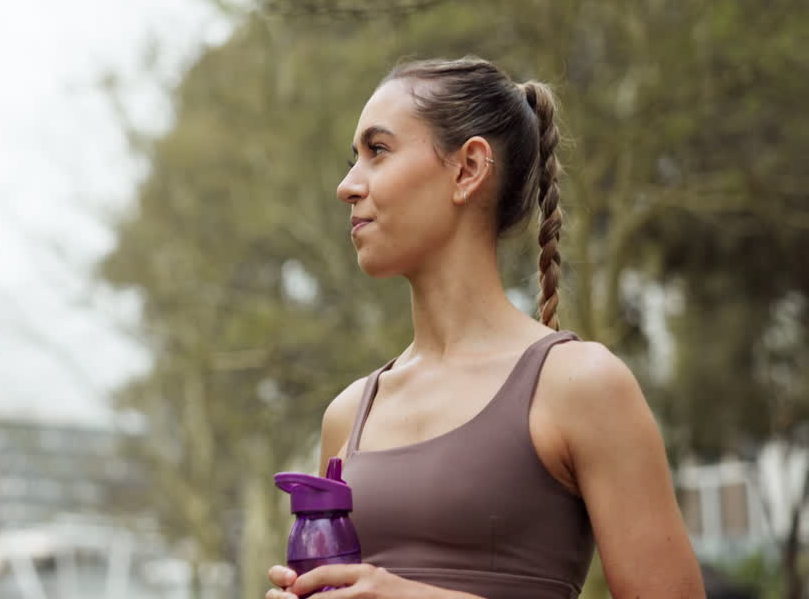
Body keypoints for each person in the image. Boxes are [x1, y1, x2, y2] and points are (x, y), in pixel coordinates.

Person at [266, 58, 704, 598]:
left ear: (468, 169)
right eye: (353, 159)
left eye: (378, 150)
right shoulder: (347, 415)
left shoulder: (581, 385)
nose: (347, 186)